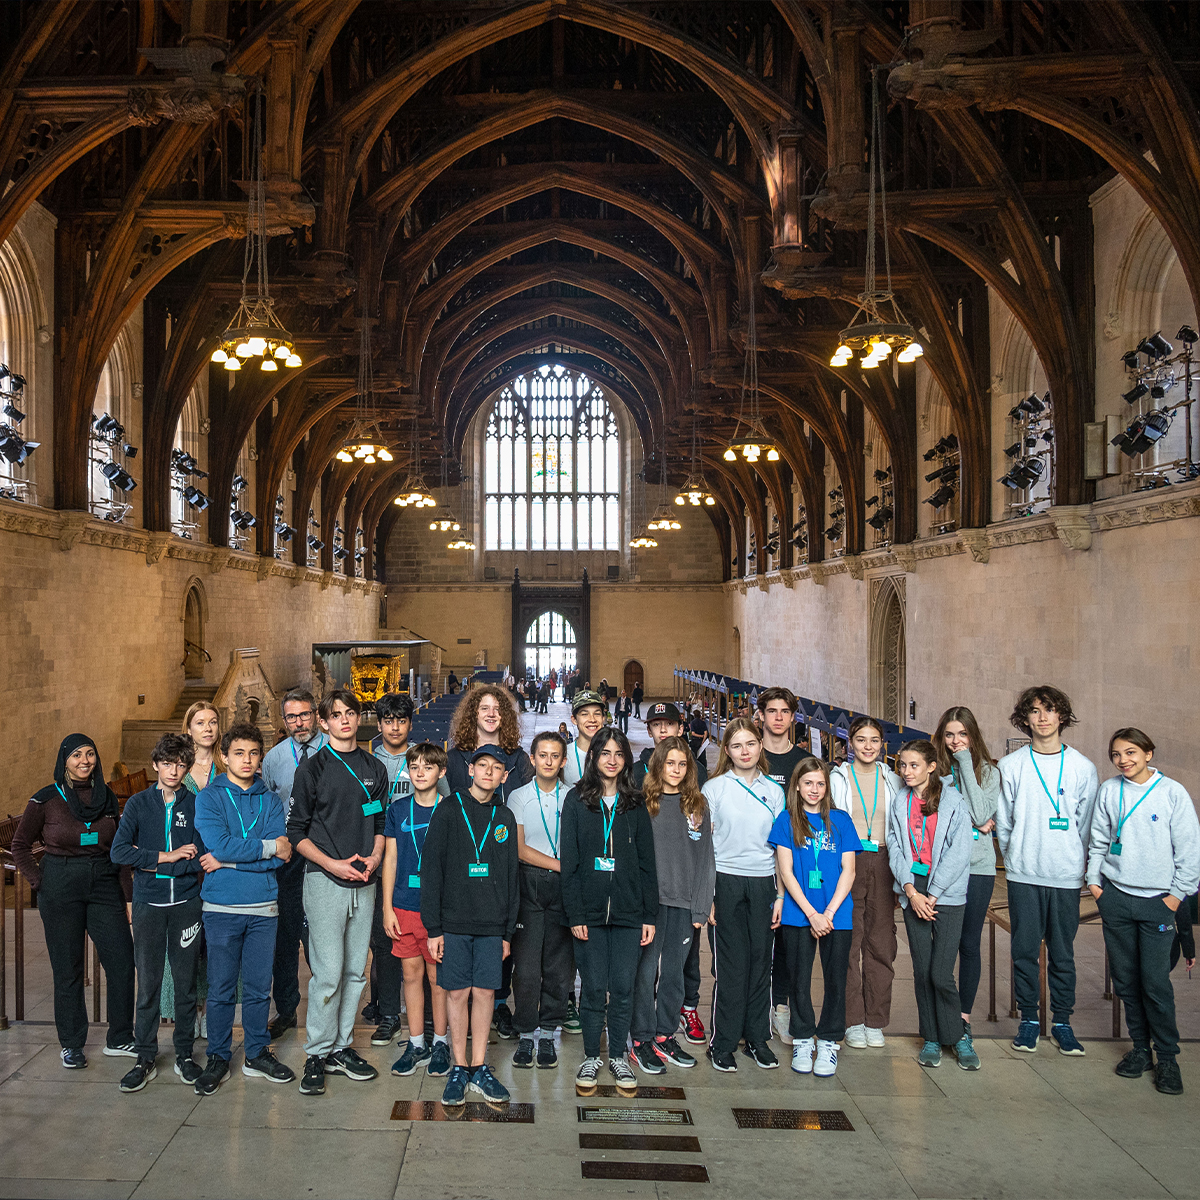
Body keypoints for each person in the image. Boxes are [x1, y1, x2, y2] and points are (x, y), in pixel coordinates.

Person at [11, 734, 136, 1069]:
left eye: (90, 754)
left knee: (122, 961)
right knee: (68, 969)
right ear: (64, 759)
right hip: (60, 884)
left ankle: (121, 1037)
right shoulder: (46, 799)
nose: (85, 761)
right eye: (77, 755)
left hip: (105, 882)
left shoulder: (106, 796)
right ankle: (71, 1043)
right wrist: (40, 882)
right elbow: (20, 846)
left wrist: (128, 896)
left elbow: (120, 850)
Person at [1087, 728, 1200, 1095]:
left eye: (1131, 752)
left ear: (1149, 754)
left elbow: (1189, 852)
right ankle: (1140, 1050)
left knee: (1154, 982)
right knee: (1126, 980)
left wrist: (1175, 897)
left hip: (1157, 902)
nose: (1123, 760)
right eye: (1117, 754)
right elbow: (1099, 839)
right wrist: (1095, 884)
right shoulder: (1109, 790)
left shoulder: (1171, 793)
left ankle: (1167, 1057)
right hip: (1116, 897)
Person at [287, 689, 388, 1096]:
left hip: (365, 882)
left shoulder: (373, 767)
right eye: (336, 715)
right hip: (325, 880)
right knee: (327, 973)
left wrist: (377, 855)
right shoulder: (311, 769)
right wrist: (332, 864)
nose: (344, 720)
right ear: (324, 723)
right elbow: (296, 832)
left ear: (358, 718)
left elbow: (380, 820)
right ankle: (316, 1051)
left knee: (353, 971)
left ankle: (341, 1046)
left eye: (350, 713)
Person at [192, 722, 296, 1094]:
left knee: (256, 987)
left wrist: (233, 859)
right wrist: (265, 848)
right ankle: (218, 1056)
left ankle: (256, 1052)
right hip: (221, 907)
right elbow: (218, 845)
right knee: (221, 987)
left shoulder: (269, 799)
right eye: (239, 753)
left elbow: (281, 857)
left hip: (264, 906)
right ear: (224, 756)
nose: (247, 760)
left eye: (254, 753)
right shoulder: (209, 798)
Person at [997, 685, 1098, 1056]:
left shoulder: (1083, 768)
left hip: (1066, 875)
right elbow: (1004, 823)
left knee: (1063, 951)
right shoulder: (1011, 766)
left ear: (1062, 716)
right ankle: (1029, 1020)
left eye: (1049, 710)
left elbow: (1086, 825)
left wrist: (1075, 860)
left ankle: (1062, 1022)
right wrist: (1016, 858)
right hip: (1024, 873)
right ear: (1024, 718)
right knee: (1024, 949)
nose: (1042, 717)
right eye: (1035, 711)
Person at [420, 745, 520, 1108]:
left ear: (505, 776)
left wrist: (508, 932)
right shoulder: (448, 810)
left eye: (497, 768)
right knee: (457, 994)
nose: (489, 772)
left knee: (485, 995)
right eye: (483, 766)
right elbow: (431, 872)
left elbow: (511, 877)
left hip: (493, 926)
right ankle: (459, 1066)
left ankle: (479, 1066)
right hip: (455, 923)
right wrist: (434, 928)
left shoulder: (504, 817)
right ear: (470, 769)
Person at [561, 728, 658, 1098]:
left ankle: (617, 1055)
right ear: (594, 758)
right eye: (605, 752)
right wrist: (575, 915)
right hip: (588, 915)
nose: (612, 759)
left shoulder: (634, 804)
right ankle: (590, 1056)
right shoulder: (576, 801)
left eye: (618, 753)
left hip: (630, 915)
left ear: (626, 761)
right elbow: (569, 864)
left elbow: (648, 864)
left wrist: (649, 915)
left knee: (622, 988)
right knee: (593, 988)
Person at [110, 733, 205, 1092]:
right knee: (148, 984)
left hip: (185, 904)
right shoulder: (138, 804)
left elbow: (202, 849)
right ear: (155, 765)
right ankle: (145, 1056)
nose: (174, 770)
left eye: (181, 764)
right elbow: (120, 852)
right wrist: (165, 857)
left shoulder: (195, 803)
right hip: (149, 905)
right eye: (167, 763)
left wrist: (180, 862)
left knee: (185, 985)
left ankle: (183, 1054)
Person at [444, 684, 532, 1038]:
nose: (492, 713)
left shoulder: (518, 758)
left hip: (505, 854)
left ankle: (497, 1003)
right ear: (473, 714)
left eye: (498, 708)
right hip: (467, 857)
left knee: (502, 936)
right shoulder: (455, 759)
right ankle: (464, 1001)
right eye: (484, 708)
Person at [701, 717, 786, 1072]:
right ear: (727, 750)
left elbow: (782, 849)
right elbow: (704, 846)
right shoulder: (715, 789)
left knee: (760, 964)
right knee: (731, 966)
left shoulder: (775, 791)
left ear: (760, 746)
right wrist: (708, 895)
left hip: (764, 881)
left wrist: (780, 895)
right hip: (726, 880)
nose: (744, 751)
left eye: (750, 743)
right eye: (736, 745)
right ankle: (722, 1041)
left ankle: (756, 1037)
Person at [364, 692, 449, 1045]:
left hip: (423, 854)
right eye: (388, 720)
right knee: (387, 944)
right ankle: (387, 1012)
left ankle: (433, 1024)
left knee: (430, 959)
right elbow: (368, 807)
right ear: (380, 724)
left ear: (410, 724)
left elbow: (445, 804)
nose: (395, 727)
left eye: (401, 720)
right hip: (387, 849)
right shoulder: (370, 760)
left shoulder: (421, 758)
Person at [769, 757, 860, 1077]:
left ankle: (830, 1042)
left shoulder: (842, 820)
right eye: (808, 783)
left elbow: (849, 871)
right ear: (797, 785)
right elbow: (786, 871)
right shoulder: (786, 820)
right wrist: (811, 913)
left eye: (820, 783)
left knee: (836, 980)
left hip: (837, 915)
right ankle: (804, 1038)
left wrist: (829, 912)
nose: (814, 789)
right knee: (799, 981)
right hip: (799, 913)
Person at [888, 740, 976, 1070]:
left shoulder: (953, 802)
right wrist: (911, 891)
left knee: (941, 972)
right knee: (923, 970)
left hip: (946, 893)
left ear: (931, 766)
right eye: (902, 766)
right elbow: (896, 847)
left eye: (913, 765)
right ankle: (932, 1037)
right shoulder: (900, 801)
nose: (907, 772)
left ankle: (958, 1035)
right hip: (914, 887)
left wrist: (933, 894)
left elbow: (959, 851)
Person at [629, 737, 715, 1075]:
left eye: (682, 764)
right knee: (645, 972)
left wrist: (700, 906)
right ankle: (641, 1039)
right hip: (649, 906)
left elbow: (706, 858)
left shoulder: (697, 806)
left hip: (683, 903)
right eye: (670, 764)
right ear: (658, 766)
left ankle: (665, 1034)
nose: (676, 770)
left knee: (674, 975)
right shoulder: (641, 804)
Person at [830, 716, 903, 1050]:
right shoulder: (836, 779)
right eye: (861, 740)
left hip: (885, 860)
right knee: (849, 940)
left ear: (882, 744)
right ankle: (853, 1019)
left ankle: (875, 1019)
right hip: (849, 860)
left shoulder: (894, 779)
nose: (868, 746)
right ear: (849, 743)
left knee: (881, 942)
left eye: (874, 740)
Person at [381, 742, 452, 1079]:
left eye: (428, 767)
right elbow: (391, 860)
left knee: (438, 978)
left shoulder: (450, 808)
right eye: (415, 767)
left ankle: (441, 1041)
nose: (420, 773)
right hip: (405, 905)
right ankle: (416, 1042)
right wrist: (387, 907)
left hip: (439, 909)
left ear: (441, 772)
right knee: (411, 974)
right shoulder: (398, 810)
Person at [260, 688, 327, 1041]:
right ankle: (286, 1010)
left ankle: (326, 1011)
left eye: (304, 715)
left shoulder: (334, 750)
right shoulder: (273, 760)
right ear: (283, 720)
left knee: (321, 937)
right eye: (291, 717)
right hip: (287, 858)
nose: (298, 723)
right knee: (284, 938)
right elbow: (269, 807)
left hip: (325, 854)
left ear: (316, 714)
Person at [507, 731, 574, 1070]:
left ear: (563, 761)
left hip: (565, 889)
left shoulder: (574, 797)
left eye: (555, 755)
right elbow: (518, 848)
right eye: (542, 755)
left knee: (558, 967)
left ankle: (548, 1031)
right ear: (532, 759)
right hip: (530, 883)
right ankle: (525, 1032)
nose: (548, 761)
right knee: (528, 967)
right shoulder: (518, 797)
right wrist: (559, 864)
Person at [934, 707, 1000, 1039]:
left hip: (978, 869)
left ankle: (963, 1016)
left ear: (972, 736)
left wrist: (964, 766)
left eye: (962, 734)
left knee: (969, 944)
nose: (956, 741)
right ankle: (941, 1014)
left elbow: (980, 812)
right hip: (943, 868)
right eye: (949, 734)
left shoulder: (988, 773)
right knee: (941, 945)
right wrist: (976, 820)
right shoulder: (935, 773)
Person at [757, 687, 806, 1044]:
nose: (777, 717)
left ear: (792, 717)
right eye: (771, 710)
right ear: (761, 716)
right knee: (758, 941)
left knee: (790, 942)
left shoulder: (803, 762)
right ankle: (756, 1010)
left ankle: (782, 1008)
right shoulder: (748, 754)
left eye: (784, 711)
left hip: (795, 862)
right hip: (755, 861)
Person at [565, 690, 608, 786]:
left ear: (603, 718)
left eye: (597, 714)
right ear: (574, 719)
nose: (592, 720)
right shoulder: (564, 755)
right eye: (584, 714)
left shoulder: (614, 755)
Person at [181, 702, 224, 795]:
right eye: (200, 723)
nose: (208, 728)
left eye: (213, 722)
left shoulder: (227, 764)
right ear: (189, 729)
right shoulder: (178, 765)